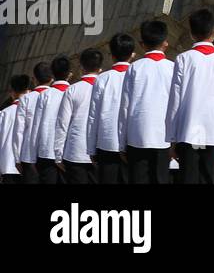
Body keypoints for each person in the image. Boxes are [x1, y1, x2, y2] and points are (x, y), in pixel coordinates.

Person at [167, 7, 214, 184]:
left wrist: (171, 138)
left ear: (192, 33)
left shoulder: (184, 59)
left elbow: (175, 101)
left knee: (188, 178)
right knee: (209, 177)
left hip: (189, 132)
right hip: (212, 132)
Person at [119, 21, 175, 184]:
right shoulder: (172, 67)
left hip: (137, 135)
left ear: (142, 44)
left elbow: (124, 107)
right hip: (164, 136)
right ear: (166, 42)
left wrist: (122, 142)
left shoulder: (134, 68)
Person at [86, 33, 134, 184]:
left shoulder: (102, 78)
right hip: (132, 143)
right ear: (132, 54)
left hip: (106, 143)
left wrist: (91, 148)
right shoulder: (137, 73)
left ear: (111, 55)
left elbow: (92, 116)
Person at [53, 48, 102, 184]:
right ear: (100, 68)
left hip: (75, 151)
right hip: (101, 151)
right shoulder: (106, 85)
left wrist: (58, 154)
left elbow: (62, 123)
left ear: (81, 67)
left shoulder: (73, 89)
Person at [33, 54, 73, 183]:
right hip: (69, 153)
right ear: (69, 74)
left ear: (52, 75)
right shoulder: (74, 91)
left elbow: (36, 125)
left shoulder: (45, 95)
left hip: (46, 151)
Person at [16, 61, 52, 183]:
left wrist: (17, 158)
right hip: (50, 153)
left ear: (34, 79)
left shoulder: (26, 98)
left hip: (29, 154)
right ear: (52, 78)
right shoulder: (59, 95)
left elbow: (19, 131)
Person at [0, 76, 31, 183]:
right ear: (28, 91)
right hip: (28, 165)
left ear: (12, 92)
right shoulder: (33, 111)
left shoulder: (4, 113)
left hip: (7, 165)